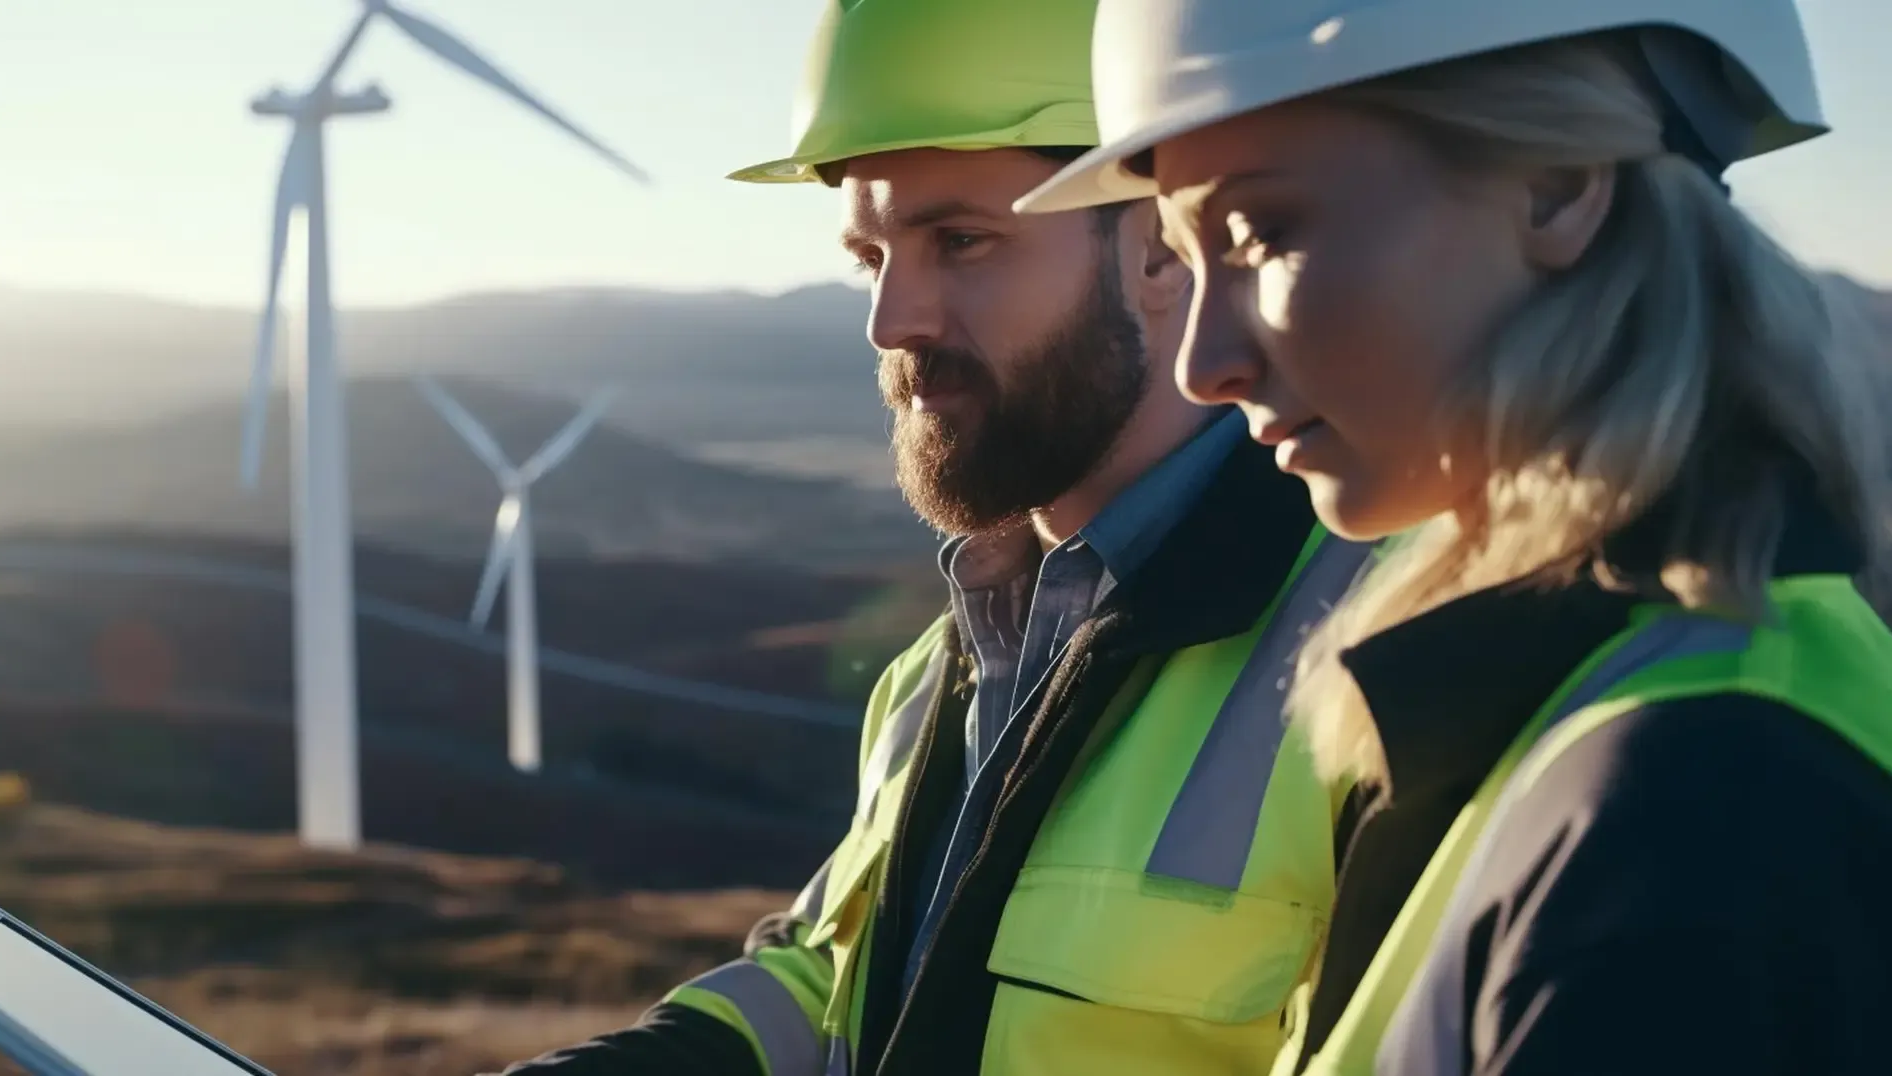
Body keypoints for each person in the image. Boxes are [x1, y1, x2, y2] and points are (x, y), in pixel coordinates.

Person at [487, 2, 1375, 1075]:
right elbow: (841, 984)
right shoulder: (940, 671)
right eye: (872, 254)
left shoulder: (1384, 652)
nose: (891, 319)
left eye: (961, 241)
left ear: (1160, 242)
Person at [1014, 1, 1892, 1073]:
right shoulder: (1632, 701)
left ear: (1560, 186)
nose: (1203, 362)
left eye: (1261, 234)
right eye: (1188, 261)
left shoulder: (1699, 814)